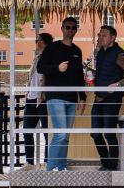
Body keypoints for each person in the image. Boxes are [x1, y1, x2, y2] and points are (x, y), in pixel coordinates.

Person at [36, 17, 87, 172]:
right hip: (55, 96)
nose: (70, 30)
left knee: (65, 136)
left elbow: (79, 76)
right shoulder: (52, 47)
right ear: (62, 28)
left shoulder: (77, 50)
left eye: (73, 27)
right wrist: (57, 68)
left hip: (72, 98)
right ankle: (51, 170)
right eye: (67, 27)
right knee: (60, 134)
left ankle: (61, 167)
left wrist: (83, 97)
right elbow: (40, 68)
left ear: (76, 30)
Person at [91, 25, 124, 171]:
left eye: (104, 35)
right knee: (95, 133)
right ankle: (105, 163)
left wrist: (118, 84)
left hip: (112, 100)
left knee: (109, 134)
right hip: (98, 98)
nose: (100, 38)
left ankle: (112, 166)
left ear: (113, 38)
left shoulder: (120, 54)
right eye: (99, 35)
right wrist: (92, 76)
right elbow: (104, 72)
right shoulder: (100, 53)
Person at [22, 33, 53, 171]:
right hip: (31, 99)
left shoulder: (51, 58)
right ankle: (29, 162)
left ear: (42, 42)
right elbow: (31, 77)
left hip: (43, 99)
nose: (35, 42)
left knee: (47, 133)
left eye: (37, 40)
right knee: (27, 131)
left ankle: (46, 162)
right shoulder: (36, 58)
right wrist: (28, 92)